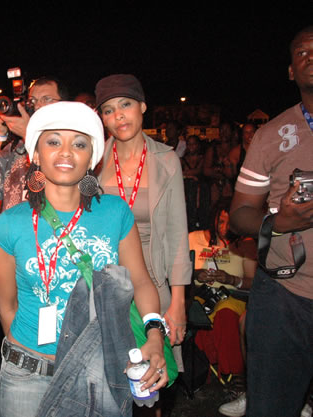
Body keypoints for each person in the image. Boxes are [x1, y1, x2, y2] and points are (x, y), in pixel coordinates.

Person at [0, 101, 168, 416]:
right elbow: (6, 307)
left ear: (91, 159)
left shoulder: (115, 213)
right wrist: (39, 352)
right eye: (54, 141)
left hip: (101, 368)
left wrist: (155, 335)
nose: (67, 151)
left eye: (80, 144)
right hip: (28, 375)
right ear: (37, 154)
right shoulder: (7, 226)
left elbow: (140, 280)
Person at [229, 26, 313, 417]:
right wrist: (280, 221)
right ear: (291, 71)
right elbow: (241, 214)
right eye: (301, 52)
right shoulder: (271, 134)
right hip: (285, 294)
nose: (310, 56)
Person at [95, 74, 191, 356]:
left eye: (126, 104)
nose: (119, 116)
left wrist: (178, 301)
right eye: (109, 110)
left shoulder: (166, 160)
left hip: (153, 273)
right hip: (105, 275)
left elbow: (177, 233)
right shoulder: (94, 160)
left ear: (143, 107)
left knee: (153, 372)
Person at [188, 199, 256, 415]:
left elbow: (252, 281)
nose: (224, 227)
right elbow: (178, 269)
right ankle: (207, 373)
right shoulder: (194, 239)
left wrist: (231, 278)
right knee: (194, 314)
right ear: (214, 217)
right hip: (200, 295)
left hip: (231, 296)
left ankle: (236, 378)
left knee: (225, 315)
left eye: (230, 222)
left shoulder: (245, 245)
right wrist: (196, 273)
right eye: (221, 220)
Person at [0, 76, 68, 211]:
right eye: (32, 101)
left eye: (46, 99)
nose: (38, 106)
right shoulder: (17, 148)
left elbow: (60, 182)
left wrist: (28, 135)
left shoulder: (72, 142)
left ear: (64, 105)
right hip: (14, 229)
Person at [181, 135, 205, 231]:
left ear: (198, 145)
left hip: (201, 193)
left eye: (194, 144)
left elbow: (200, 171)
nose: (191, 146)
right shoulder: (182, 160)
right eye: (189, 144)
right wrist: (189, 176)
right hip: (186, 193)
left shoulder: (202, 158)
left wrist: (187, 174)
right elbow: (177, 173)